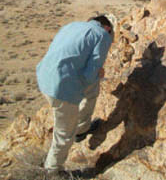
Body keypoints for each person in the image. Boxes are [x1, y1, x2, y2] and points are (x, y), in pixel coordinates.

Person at [36, 15, 114, 176]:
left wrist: (93, 78)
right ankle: (52, 171)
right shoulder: (102, 35)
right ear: (107, 28)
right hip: (61, 87)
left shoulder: (72, 26)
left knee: (92, 89)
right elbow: (90, 72)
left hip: (44, 75)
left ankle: (82, 128)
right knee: (64, 133)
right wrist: (98, 73)